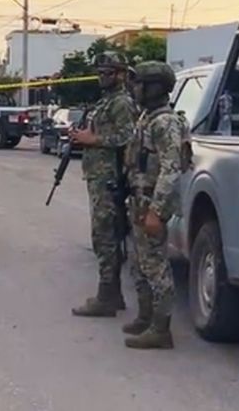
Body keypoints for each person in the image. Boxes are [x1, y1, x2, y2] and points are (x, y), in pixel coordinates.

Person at [122, 61, 191, 350]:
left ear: (156, 88)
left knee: (156, 266)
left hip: (151, 200)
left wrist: (157, 211)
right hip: (139, 198)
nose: (135, 89)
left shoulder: (164, 123)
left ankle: (161, 330)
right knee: (140, 264)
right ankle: (146, 317)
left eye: (140, 84)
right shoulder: (147, 118)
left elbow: (171, 169)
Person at [69, 51, 137, 318]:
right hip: (99, 176)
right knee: (104, 235)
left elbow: (126, 136)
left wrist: (93, 139)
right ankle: (113, 293)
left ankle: (106, 296)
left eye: (108, 72)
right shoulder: (106, 102)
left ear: (121, 74)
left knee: (105, 237)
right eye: (100, 72)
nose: (103, 77)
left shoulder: (121, 102)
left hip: (110, 178)